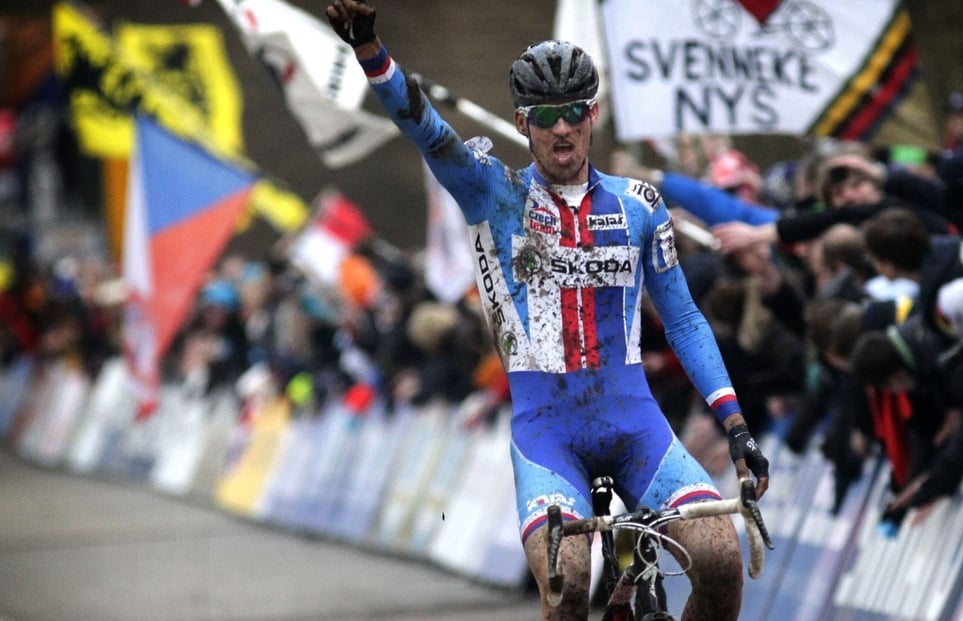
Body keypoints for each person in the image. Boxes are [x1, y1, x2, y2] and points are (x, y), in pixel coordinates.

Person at [323, 2, 770, 619]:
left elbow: (687, 320)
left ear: (592, 117)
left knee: (721, 561)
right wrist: (372, 52)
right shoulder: (491, 191)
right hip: (548, 438)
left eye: (575, 116)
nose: (563, 130)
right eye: (547, 118)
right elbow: (425, 126)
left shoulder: (640, 204)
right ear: (522, 123)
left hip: (638, 426)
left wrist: (736, 426)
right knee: (567, 586)